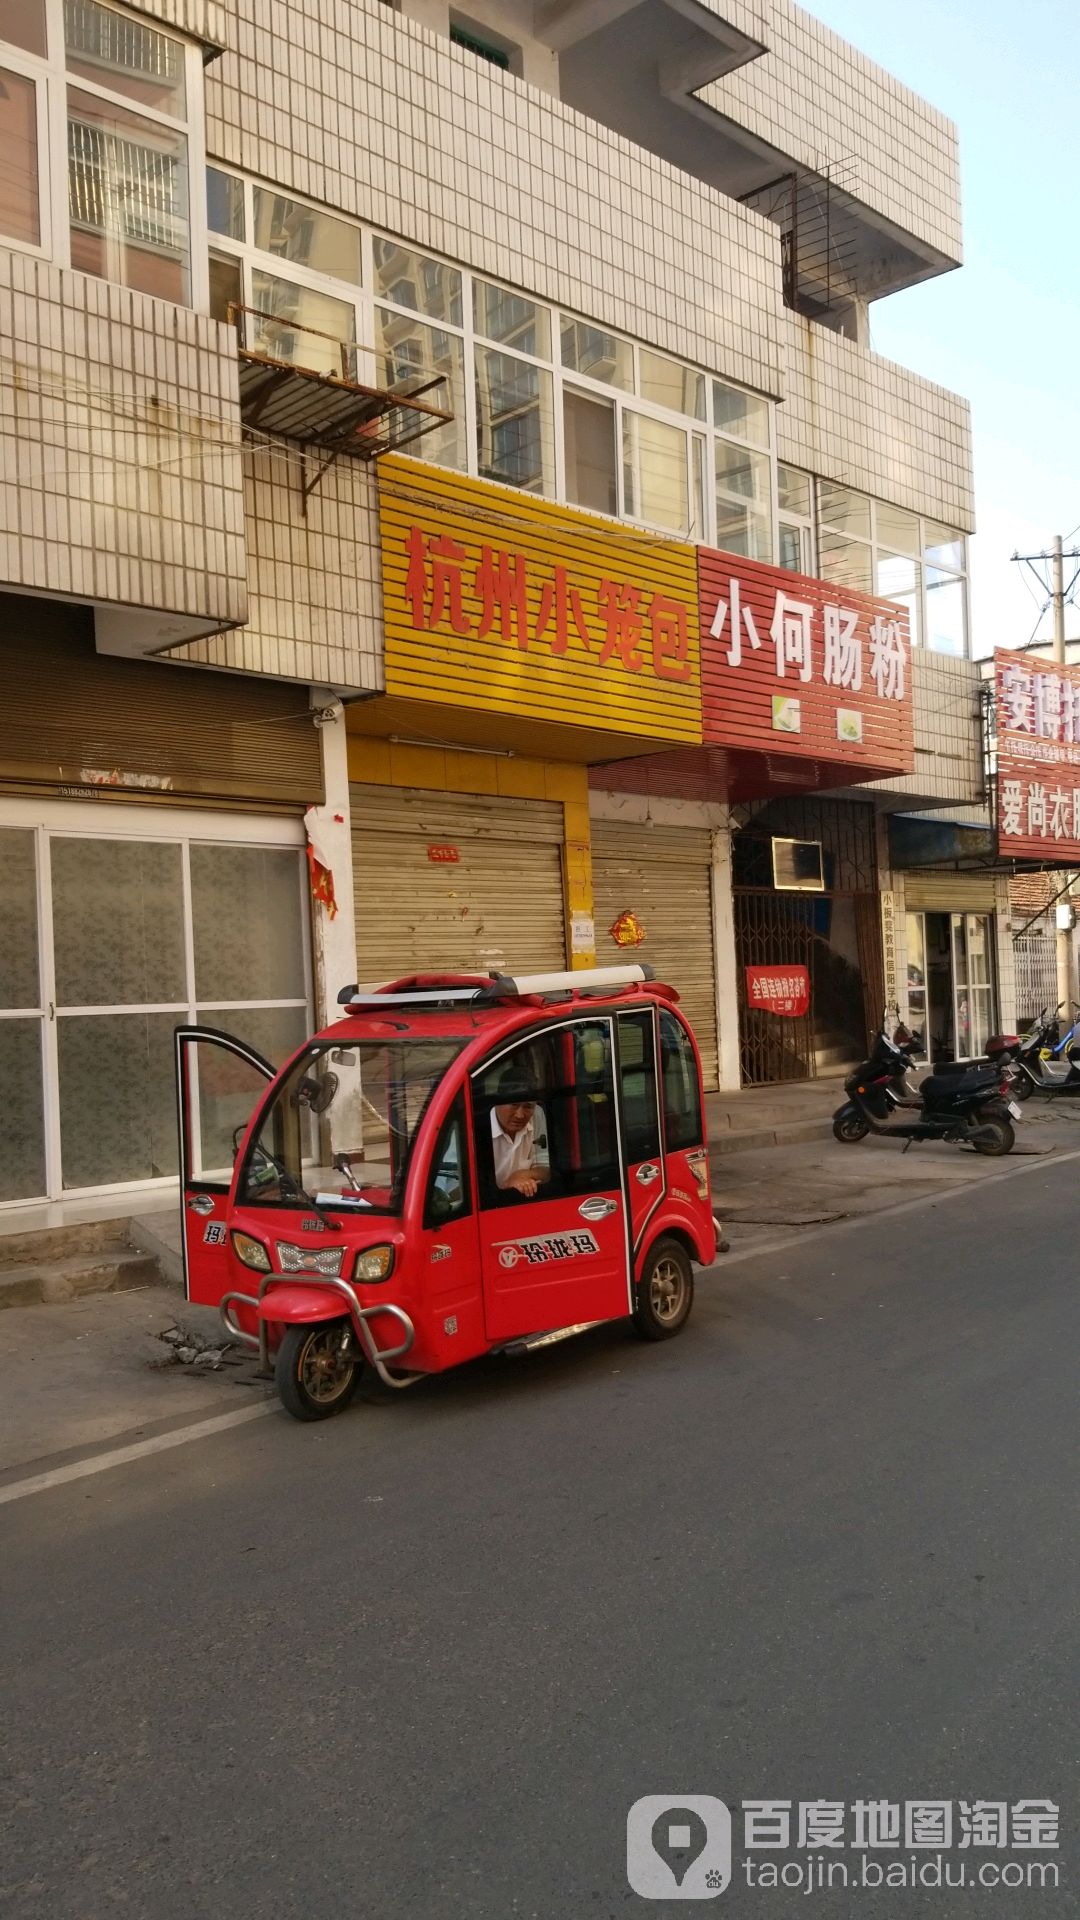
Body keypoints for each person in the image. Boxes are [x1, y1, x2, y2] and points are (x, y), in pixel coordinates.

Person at [490, 1069, 549, 1197]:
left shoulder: (537, 1114)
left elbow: (546, 1168)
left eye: (528, 1107)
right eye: (513, 1105)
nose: (520, 1115)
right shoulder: (479, 1123)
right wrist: (508, 1184)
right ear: (498, 1101)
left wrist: (522, 1175)